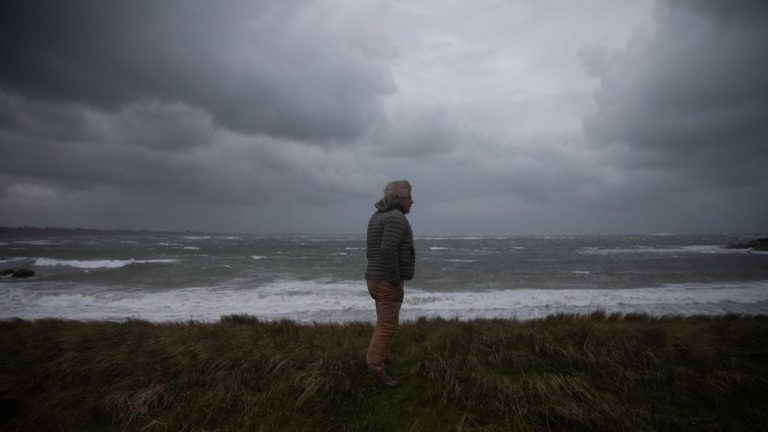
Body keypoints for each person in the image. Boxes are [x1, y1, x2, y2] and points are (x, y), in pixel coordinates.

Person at [365, 179, 415, 388]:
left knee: (383, 324)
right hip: (386, 281)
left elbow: (374, 250)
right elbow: (387, 250)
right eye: (409, 197)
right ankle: (375, 371)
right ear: (401, 198)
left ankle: (379, 361)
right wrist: (395, 279)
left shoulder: (378, 216)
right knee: (387, 327)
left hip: (375, 279)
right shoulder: (395, 218)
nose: (412, 202)